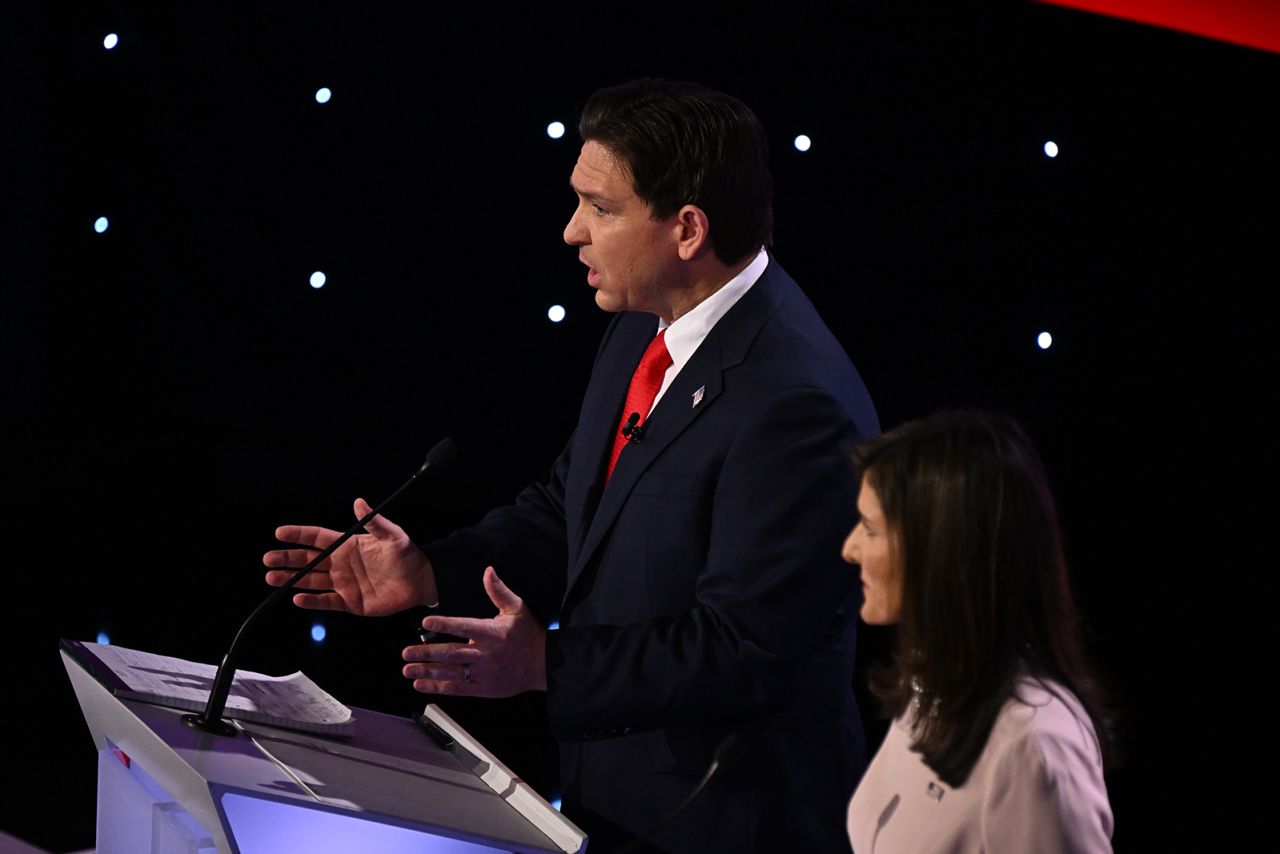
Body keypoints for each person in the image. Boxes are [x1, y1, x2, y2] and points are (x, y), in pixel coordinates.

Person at [265, 78, 879, 853]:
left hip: (729, 819)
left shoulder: (794, 400)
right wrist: (429, 572)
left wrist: (546, 661)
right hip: (615, 798)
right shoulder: (642, 327)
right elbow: (571, 510)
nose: (571, 232)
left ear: (686, 229)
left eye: (601, 208)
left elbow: (745, 648)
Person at [842, 412, 1114, 852]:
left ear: (939, 551)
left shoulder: (1032, 746)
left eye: (870, 529)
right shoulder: (934, 686)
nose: (849, 548)